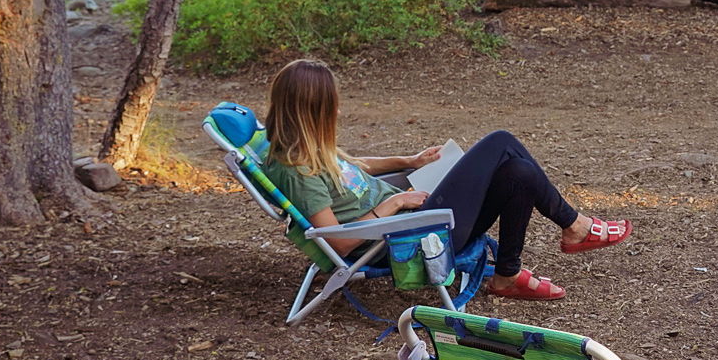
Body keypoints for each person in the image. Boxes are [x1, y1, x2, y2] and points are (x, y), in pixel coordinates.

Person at [259, 58, 627, 300]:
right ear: (314, 110)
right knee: (501, 143)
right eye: (331, 103)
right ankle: (576, 226)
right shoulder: (295, 169)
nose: (338, 108)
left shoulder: (309, 149)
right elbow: (336, 243)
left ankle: (506, 275)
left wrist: (408, 160)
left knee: (519, 172)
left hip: (415, 219)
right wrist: (394, 203)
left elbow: (357, 167)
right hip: (409, 239)